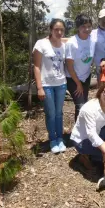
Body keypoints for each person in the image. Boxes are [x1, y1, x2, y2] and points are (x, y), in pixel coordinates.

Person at [33, 18, 67, 154]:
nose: (59, 32)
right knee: (51, 113)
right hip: (46, 84)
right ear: (51, 30)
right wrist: (39, 87)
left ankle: (60, 138)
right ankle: (52, 139)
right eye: (56, 29)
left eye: (62, 30)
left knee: (59, 113)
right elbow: (36, 66)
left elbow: (73, 39)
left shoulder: (64, 45)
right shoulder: (41, 44)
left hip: (61, 84)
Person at [70, 81, 105, 173]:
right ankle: (84, 156)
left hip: (97, 134)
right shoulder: (90, 109)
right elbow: (91, 134)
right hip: (82, 141)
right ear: (100, 92)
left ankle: (95, 155)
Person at [65, 14, 95, 122]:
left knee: (84, 105)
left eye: (89, 26)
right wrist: (78, 83)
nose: (86, 29)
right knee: (81, 106)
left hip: (86, 77)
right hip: (73, 78)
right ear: (78, 27)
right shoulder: (72, 43)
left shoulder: (92, 39)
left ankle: (82, 131)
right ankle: (77, 135)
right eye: (83, 26)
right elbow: (69, 66)